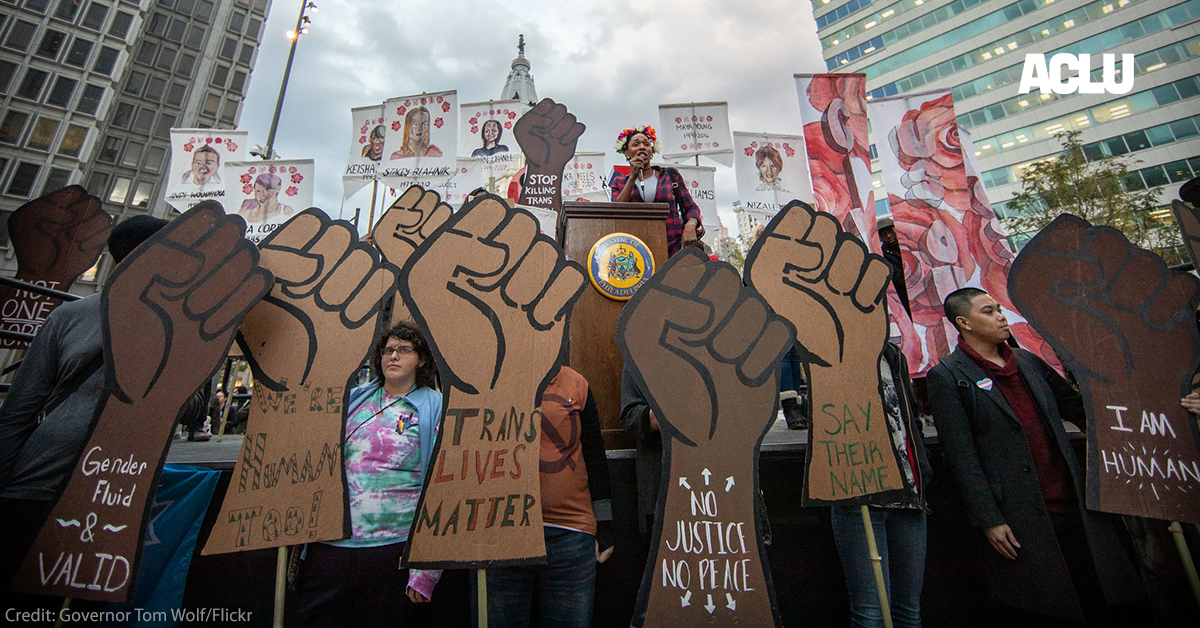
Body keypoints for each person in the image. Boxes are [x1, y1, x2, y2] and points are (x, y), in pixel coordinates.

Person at [926, 287, 1143, 624]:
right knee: (1048, 605)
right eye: (988, 311)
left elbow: (1080, 410)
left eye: (999, 308)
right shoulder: (948, 377)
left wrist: (1143, 416)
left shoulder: (1027, 361)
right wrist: (989, 518)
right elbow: (961, 455)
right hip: (1021, 516)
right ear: (964, 323)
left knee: (1100, 595)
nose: (1001, 316)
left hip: (1077, 504)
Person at [0, 215, 168, 589]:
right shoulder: (69, 317)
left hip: (114, 493)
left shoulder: (178, 328)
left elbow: (190, 410)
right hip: (37, 488)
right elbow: (17, 411)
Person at [292, 322, 442, 627]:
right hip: (330, 546)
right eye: (388, 350)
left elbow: (442, 486)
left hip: (393, 552)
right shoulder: (351, 400)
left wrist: (427, 569)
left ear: (422, 359)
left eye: (404, 349)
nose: (393, 356)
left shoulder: (435, 407)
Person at [486, 365, 614, 627]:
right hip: (504, 533)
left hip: (570, 535)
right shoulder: (492, 379)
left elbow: (594, 454)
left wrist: (606, 525)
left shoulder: (576, 383)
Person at [831, 340, 931, 628]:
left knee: (909, 612)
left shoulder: (892, 355)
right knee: (870, 613)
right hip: (861, 498)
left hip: (909, 495)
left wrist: (922, 471)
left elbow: (910, 417)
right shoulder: (831, 355)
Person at [609, 125, 703, 257]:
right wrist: (632, 177)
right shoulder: (619, 182)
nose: (642, 147)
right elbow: (616, 213)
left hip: (674, 248)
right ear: (627, 153)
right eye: (636, 144)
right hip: (637, 251)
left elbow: (691, 207)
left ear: (651, 152)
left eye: (646, 144)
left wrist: (690, 226)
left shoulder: (670, 175)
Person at [877, 216, 912, 319]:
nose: (888, 236)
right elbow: (898, 278)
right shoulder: (884, 256)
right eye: (883, 234)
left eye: (890, 231)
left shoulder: (909, 245)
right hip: (906, 299)